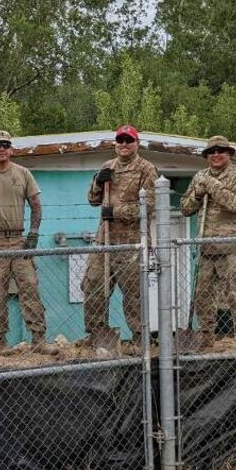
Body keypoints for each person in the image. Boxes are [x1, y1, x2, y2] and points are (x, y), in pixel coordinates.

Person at [0, 130, 51, 354]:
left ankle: (39, 339)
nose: (2, 149)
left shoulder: (23, 174)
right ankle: (0, 342)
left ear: (11, 149)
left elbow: (36, 204)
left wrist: (33, 233)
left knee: (30, 287)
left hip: (19, 242)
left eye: (5, 145)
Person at [82, 125, 157, 350]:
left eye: (129, 141)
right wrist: (97, 183)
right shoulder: (107, 166)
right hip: (104, 240)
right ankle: (96, 335)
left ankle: (139, 338)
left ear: (137, 144)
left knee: (134, 294)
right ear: (115, 144)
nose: (124, 145)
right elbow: (93, 200)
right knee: (93, 286)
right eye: (120, 141)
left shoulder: (146, 169)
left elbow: (149, 207)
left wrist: (115, 212)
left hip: (131, 243)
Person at [180, 134, 236, 346]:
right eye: (212, 152)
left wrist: (211, 185)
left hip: (232, 248)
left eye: (220, 150)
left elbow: (235, 204)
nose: (216, 155)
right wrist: (197, 193)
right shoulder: (199, 176)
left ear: (228, 153)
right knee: (202, 297)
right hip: (206, 248)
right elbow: (185, 208)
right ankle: (206, 341)